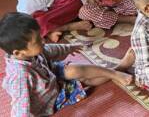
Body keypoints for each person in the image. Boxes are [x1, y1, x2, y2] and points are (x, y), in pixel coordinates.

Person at [0, 12, 132, 116]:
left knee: (74, 70)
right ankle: (119, 68)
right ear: (18, 53)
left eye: (41, 36)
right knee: (85, 81)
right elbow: (20, 107)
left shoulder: (31, 52)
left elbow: (50, 50)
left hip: (51, 74)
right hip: (50, 99)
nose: (43, 40)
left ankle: (114, 72)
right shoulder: (20, 77)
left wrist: (70, 47)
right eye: (37, 41)